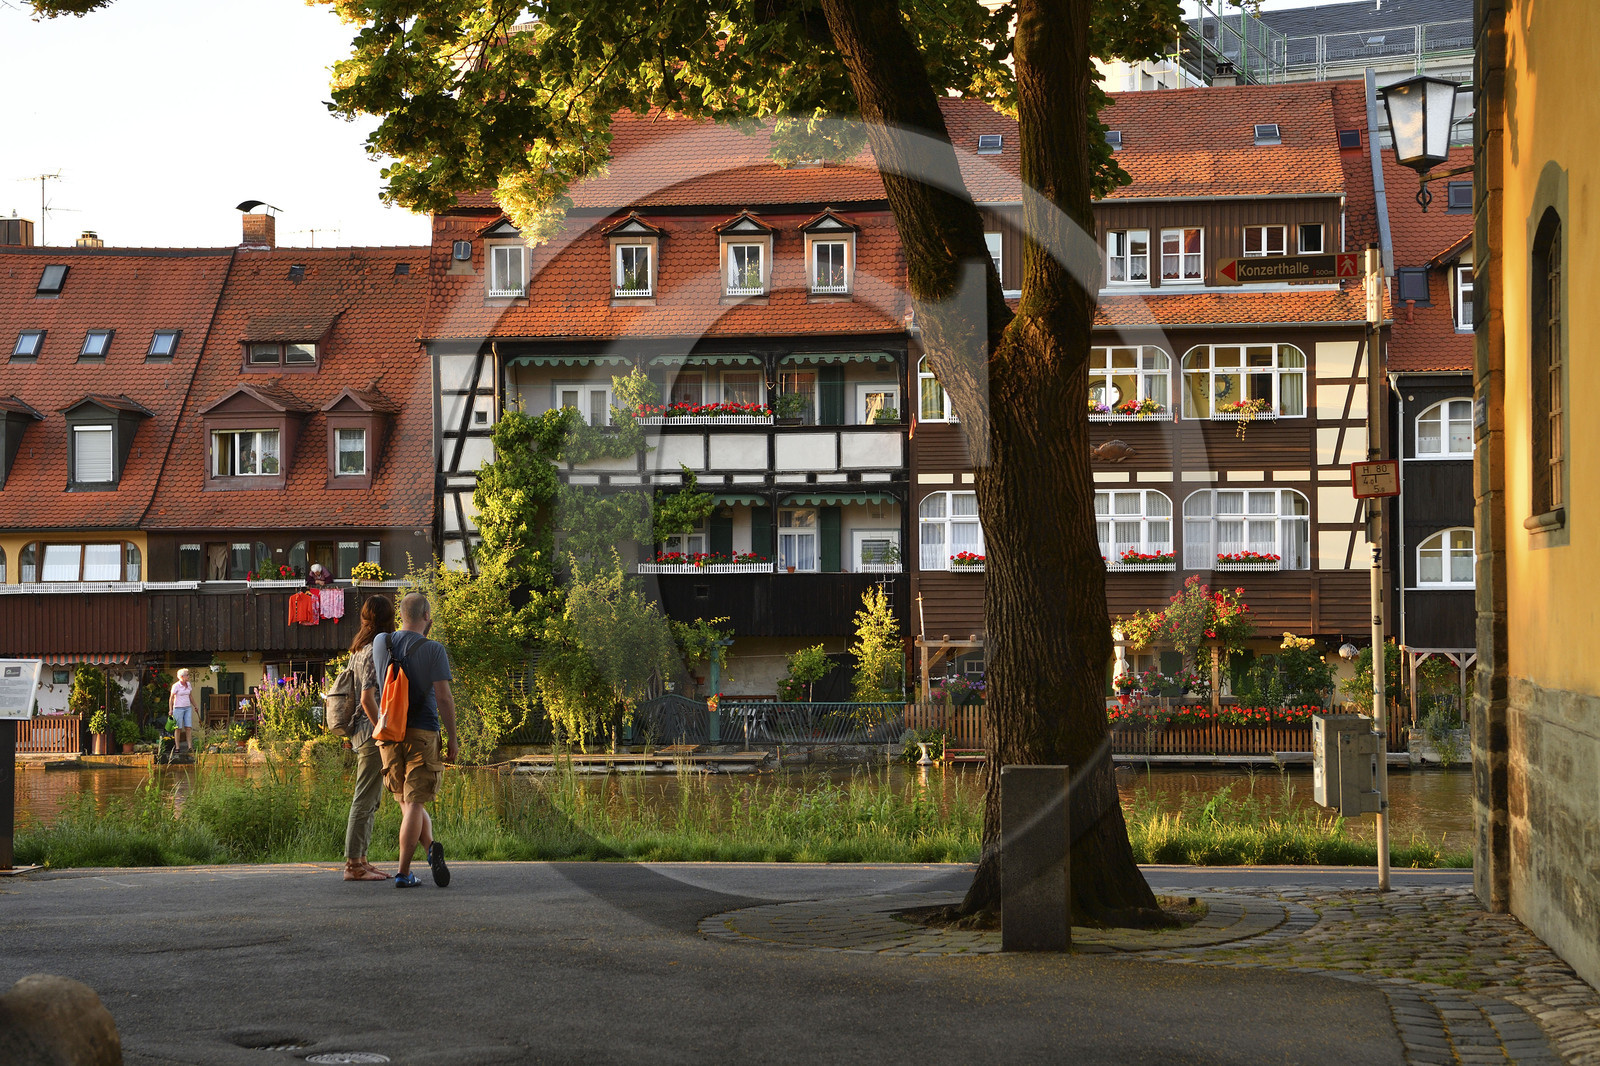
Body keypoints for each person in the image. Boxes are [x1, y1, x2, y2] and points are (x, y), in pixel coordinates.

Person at [371, 592, 456, 889]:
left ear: (401, 615)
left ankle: (431, 849)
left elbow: (374, 687)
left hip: (389, 734)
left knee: (407, 803)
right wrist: (453, 739)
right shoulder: (433, 648)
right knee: (415, 803)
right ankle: (404, 873)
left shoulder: (381, 642)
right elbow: (444, 698)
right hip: (423, 733)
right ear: (427, 617)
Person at [342, 595, 396, 882]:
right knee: (364, 798)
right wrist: (382, 730)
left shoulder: (358, 646)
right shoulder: (375, 647)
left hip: (359, 732)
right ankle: (353, 865)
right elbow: (367, 698)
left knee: (371, 797)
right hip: (370, 733)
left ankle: (361, 859)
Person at [169, 669, 194, 752]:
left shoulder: (188, 684)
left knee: (188, 727)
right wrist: (171, 709)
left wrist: (195, 705)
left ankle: (190, 747)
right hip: (178, 708)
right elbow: (171, 698)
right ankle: (177, 747)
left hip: (187, 708)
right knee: (178, 728)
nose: (188, 676)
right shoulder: (176, 686)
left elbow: (190, 696)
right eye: (187, 675)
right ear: (182, 677)